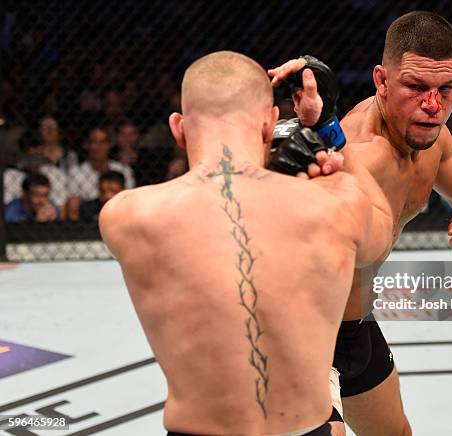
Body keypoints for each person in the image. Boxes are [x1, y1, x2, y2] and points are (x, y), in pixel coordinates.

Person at [99, 51, 393, 436]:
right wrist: (325, 127)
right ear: (271, 123)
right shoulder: (332, 203)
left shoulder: (126, 216)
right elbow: (382, 229)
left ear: (178, 127)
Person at [269, 11, 452, 435]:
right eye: (416, 87)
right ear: (381, 80)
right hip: (302, 334)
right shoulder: (362, 153)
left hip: (355, 327)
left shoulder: (435, 137)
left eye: (446, 89)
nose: (433, 105)